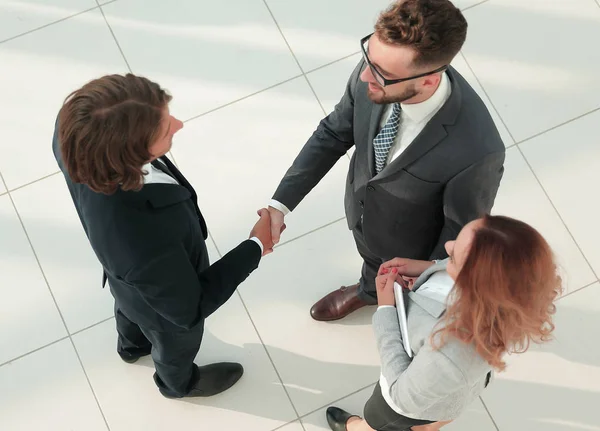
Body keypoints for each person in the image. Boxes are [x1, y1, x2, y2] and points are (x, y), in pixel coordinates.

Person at [266, 0, 506, 321]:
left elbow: (457, 234)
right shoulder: (378, 68)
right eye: (369, 58)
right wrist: (279, 205)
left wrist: (425, 288)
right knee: (371, 262)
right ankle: (368, 288)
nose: (366, 75)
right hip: (365, 217)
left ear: (428, 81)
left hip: (408, 249)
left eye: (382, 73)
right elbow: (333, 133)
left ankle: (391, 302)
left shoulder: (477, 151)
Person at [53, 73, 278, 399]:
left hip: (128, 282)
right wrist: (256, 246)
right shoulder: (138, 236)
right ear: (128, 151)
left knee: (128, 307)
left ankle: (131, 347)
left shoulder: (74, 132)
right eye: (163, 127)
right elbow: (189, 309)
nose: (179, 124)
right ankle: (177, 384)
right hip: (161, 302)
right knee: (175, 343)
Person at [325, 215, 562, 431]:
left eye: (455, 256)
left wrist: (386, 308)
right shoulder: (510, 296)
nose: (448, 246)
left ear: (475, 281)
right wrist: (431, 269)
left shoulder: (453, 350)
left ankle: (356, 429)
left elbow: (399, 395)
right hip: (447, 391)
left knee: (376, 420)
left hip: (406, 404)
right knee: (430, 423)